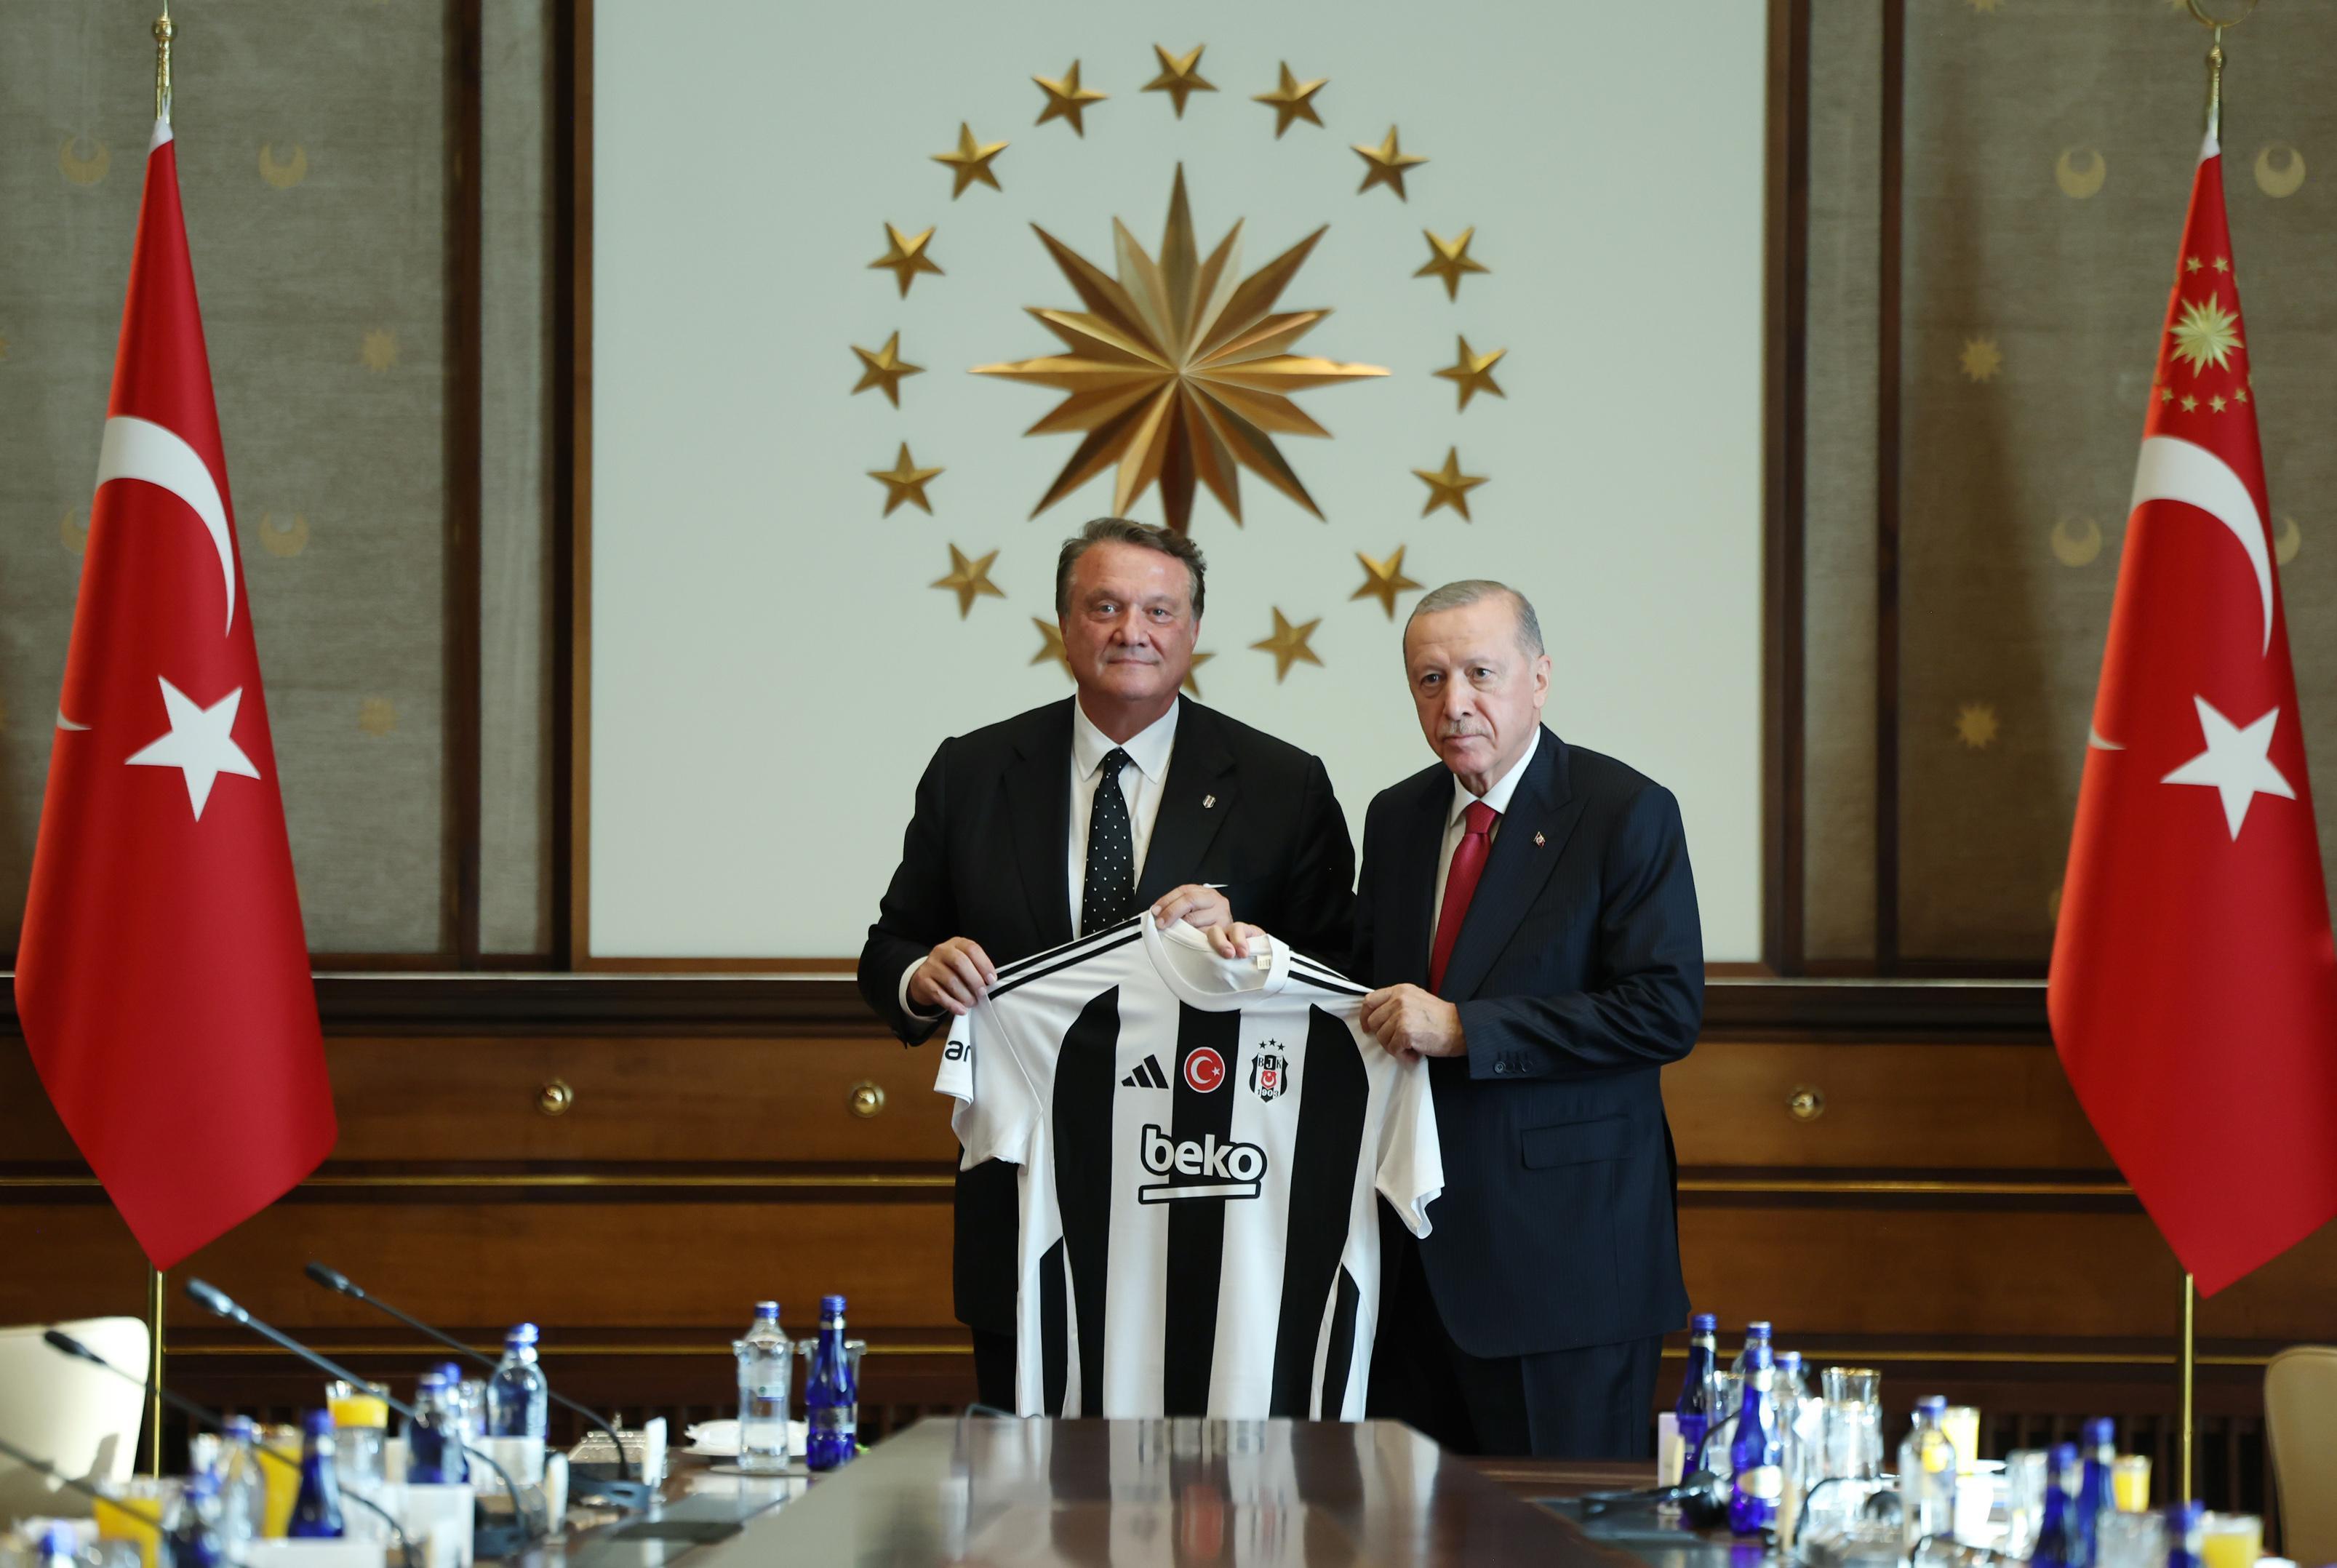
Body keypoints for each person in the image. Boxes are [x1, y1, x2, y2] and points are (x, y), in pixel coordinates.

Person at [860, 516, 1358, 1410]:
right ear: (1063, 624)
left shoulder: (1283, 785)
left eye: (1160, 610)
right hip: (1025, 1200)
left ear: (1194, 630)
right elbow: (888, 947)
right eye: (1105, 606)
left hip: (1206, 1203)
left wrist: (1252, 946)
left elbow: (1344, 978)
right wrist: (920, 975)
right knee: (1024, 1477)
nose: (1133, 630)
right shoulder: (973, 771)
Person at [1352, 578, 1702, 1459]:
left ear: (1539, 678)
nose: (1454, 702)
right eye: (1430, 679)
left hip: (1566, 1270)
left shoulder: (1625, 810)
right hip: (1411, 1266)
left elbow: (1664, 1009)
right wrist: (1238, 940)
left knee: (1559, 1525)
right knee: (1407, 1524)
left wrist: (1469, 1028)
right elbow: (1360, 985)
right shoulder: (1396, 817)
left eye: (1481, 672)